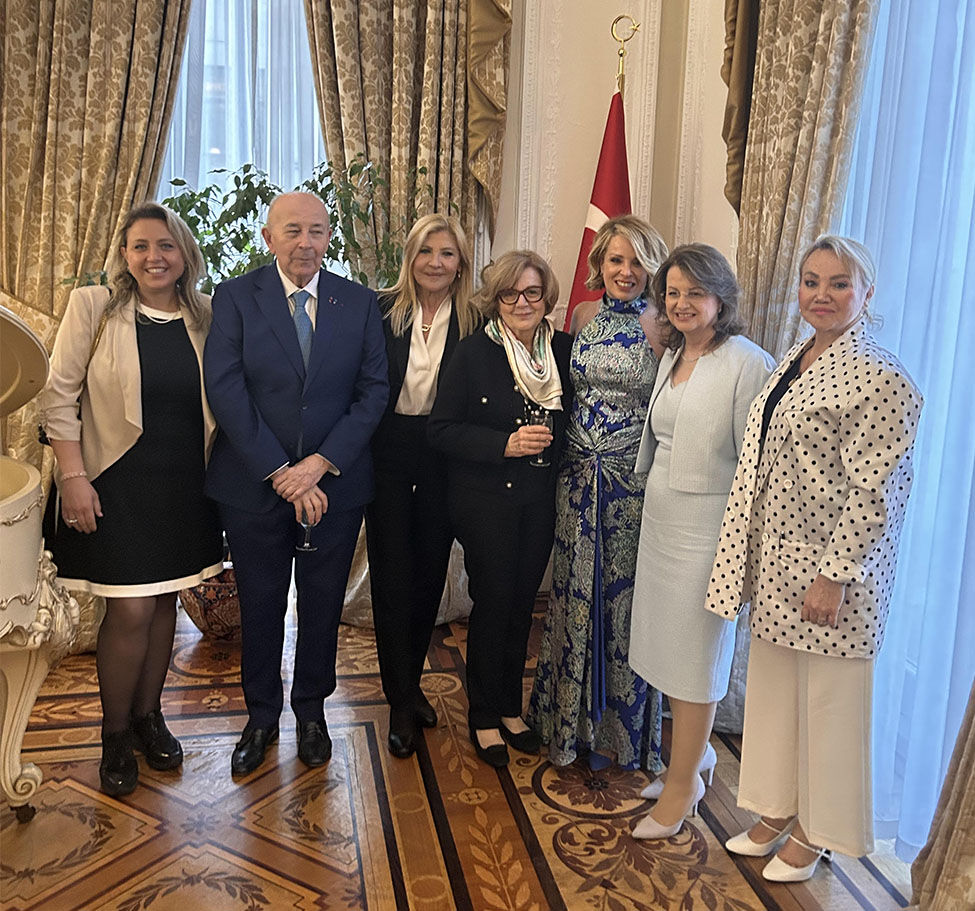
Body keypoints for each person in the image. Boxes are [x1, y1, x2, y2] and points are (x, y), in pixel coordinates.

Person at [707, 236, 922, 881]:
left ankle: (818, 830)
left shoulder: (881, 377)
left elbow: (875, 493)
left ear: (867, 293)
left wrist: (834, 576)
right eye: (811, 282)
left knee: (830, 705)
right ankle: (777, 809)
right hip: (778, 561)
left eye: (838, 284)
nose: (821, 295)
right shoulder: (797, 358)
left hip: (835, 575)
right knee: (777, 695)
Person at [39, 202, 223, 796]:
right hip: (113, 485)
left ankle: (149, 717)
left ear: (185, 254)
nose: (154, 257)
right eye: (141, 245)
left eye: (166, 245)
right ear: (124, 254)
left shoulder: (207, 316)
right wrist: (73, 477)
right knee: (131, 611)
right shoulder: (93, 308)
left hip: (184, 489)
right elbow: (57, 397)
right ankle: (114, 733)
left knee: (165, 603)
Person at [204, 191, 387, 777]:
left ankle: (312, 712)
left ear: (329, 236)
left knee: (323, 604)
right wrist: (281, 471)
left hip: (334, 488)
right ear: (269, 237)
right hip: (254, 486)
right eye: (292, 231)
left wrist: (318, 465)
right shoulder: (236, 297)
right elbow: (225, 388)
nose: (305, 243)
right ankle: (260, 717)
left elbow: (373, 392)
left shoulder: (359, 302)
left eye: (316, 231)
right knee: (259, 606)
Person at [626, 244, 774, 840]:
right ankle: (695, 757)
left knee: (696, 659)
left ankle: (683, 786)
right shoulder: (673, 353)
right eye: (673, 292)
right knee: (665, 650)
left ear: (721, 298)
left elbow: (754, 465)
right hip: (661, 520)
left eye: (695, 292)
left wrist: (740, 550)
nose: (681, 303)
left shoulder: (748, 363)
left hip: (710, 532)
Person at [528, 214, 667, 772]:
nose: (625, 272)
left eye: (637, 262)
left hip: (631, 487)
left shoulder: (663, 325)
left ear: (651, 267)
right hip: (577, 480)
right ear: (600, 264)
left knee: (622, 603)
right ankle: (568, 722)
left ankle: (620, 730)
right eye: (616, 260)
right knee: (572, 595)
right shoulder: (583, 315)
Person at [428, 250, 572, 767]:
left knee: (521, 605)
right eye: (510, 293)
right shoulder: (473, 353)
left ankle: (512, 709)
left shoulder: (563, 350)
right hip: (485, 500)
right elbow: (441, 430)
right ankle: (484, 715)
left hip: (540, 502)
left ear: (546, 297)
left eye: (532, 292)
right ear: (495, 300)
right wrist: (503, 445)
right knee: (493, 603)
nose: (521, 302)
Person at [365, 214, 480, 758]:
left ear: (460, 263)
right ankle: (400, 700)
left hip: (444, 456)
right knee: (391, 579)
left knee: (428, 577)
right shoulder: (380, 310)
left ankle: (410, 687)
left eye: (447, 253)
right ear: (410, 258)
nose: (436, 262)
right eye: (426, 251)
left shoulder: (478, 319)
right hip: (387, 453)